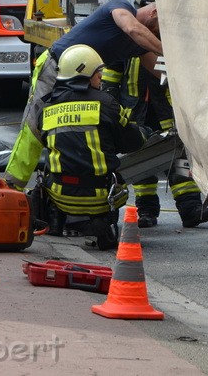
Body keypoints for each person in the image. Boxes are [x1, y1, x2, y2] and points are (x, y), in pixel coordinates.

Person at [3, 0, 163, 189]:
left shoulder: (140, 46)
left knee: (79, 126)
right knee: (34, 128)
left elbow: (159, 70)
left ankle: (67, 183)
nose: (161, 35)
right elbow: (132, 29)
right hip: (56, 66)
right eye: (161, 28)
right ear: (154, 13)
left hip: (83, 79)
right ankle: (12, 187)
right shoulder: (121, 6)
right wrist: (168, 52)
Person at [111, 0, 208, 228]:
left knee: (179, 155)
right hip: (135, 108)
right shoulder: (128, 32)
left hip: (166, 107)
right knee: (140, 157)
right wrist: (109, 99)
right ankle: (146, 211)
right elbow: (113, 69)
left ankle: (191, 208)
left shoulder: (174, 35)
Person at [37, 45, 143, 250]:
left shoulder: (47, 108)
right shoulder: (107, 103)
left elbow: (45, 141)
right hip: (100, 197)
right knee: (117, 179)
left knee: (49, 168)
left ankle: (57, 220)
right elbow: (133, 143)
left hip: (60, 195)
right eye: (98, 72)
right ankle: (103, 223)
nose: (101, 77)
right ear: (84, 73)